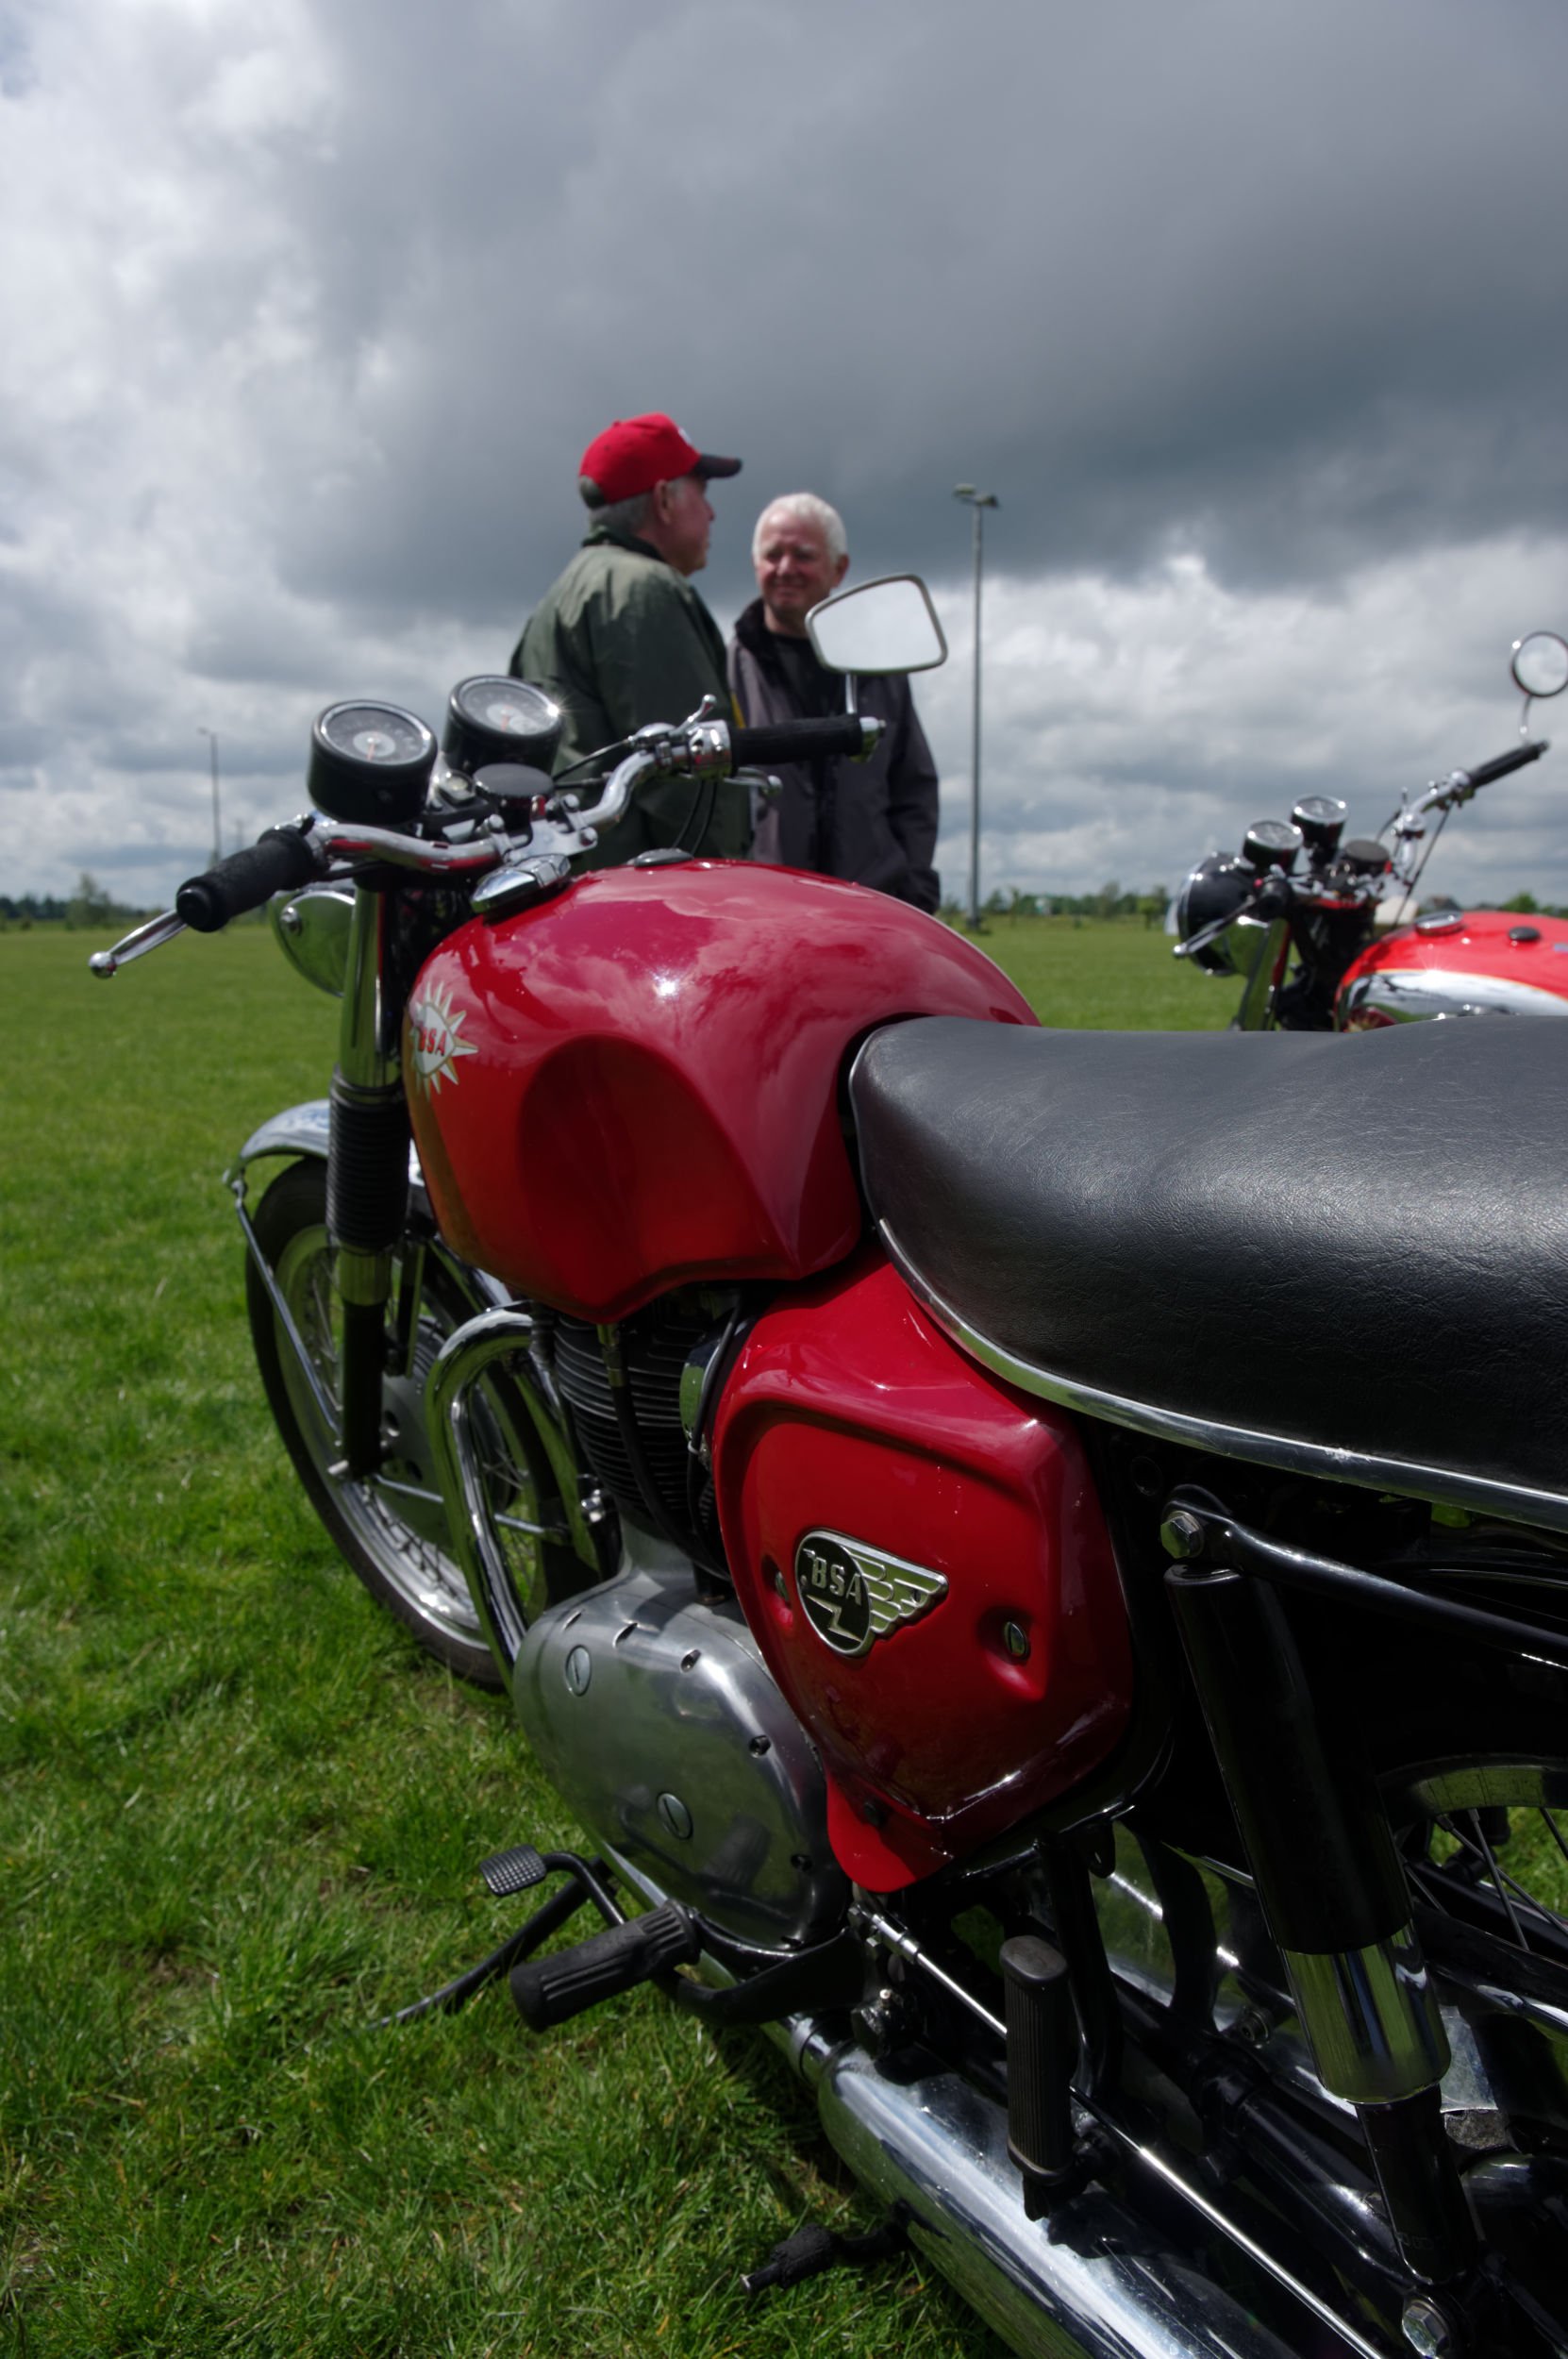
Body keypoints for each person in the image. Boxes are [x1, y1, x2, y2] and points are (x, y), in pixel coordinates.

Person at [509, 411, 750, 862]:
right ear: (664, 500)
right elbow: (691, 780)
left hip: (574, 879)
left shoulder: (557, 598)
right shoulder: (642, 590)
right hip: (644, 890)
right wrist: (724, 875)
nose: (712, 512)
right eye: (702, 491)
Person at [727, 493, 941, 912]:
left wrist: (911, 887)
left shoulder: (879, 668)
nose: (785, 568)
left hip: (870, 909)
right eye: (773, 555)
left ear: (839, 569)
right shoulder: (728, 669)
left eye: (803, 555)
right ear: (755, 564)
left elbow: (914, 788)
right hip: (766, 912)